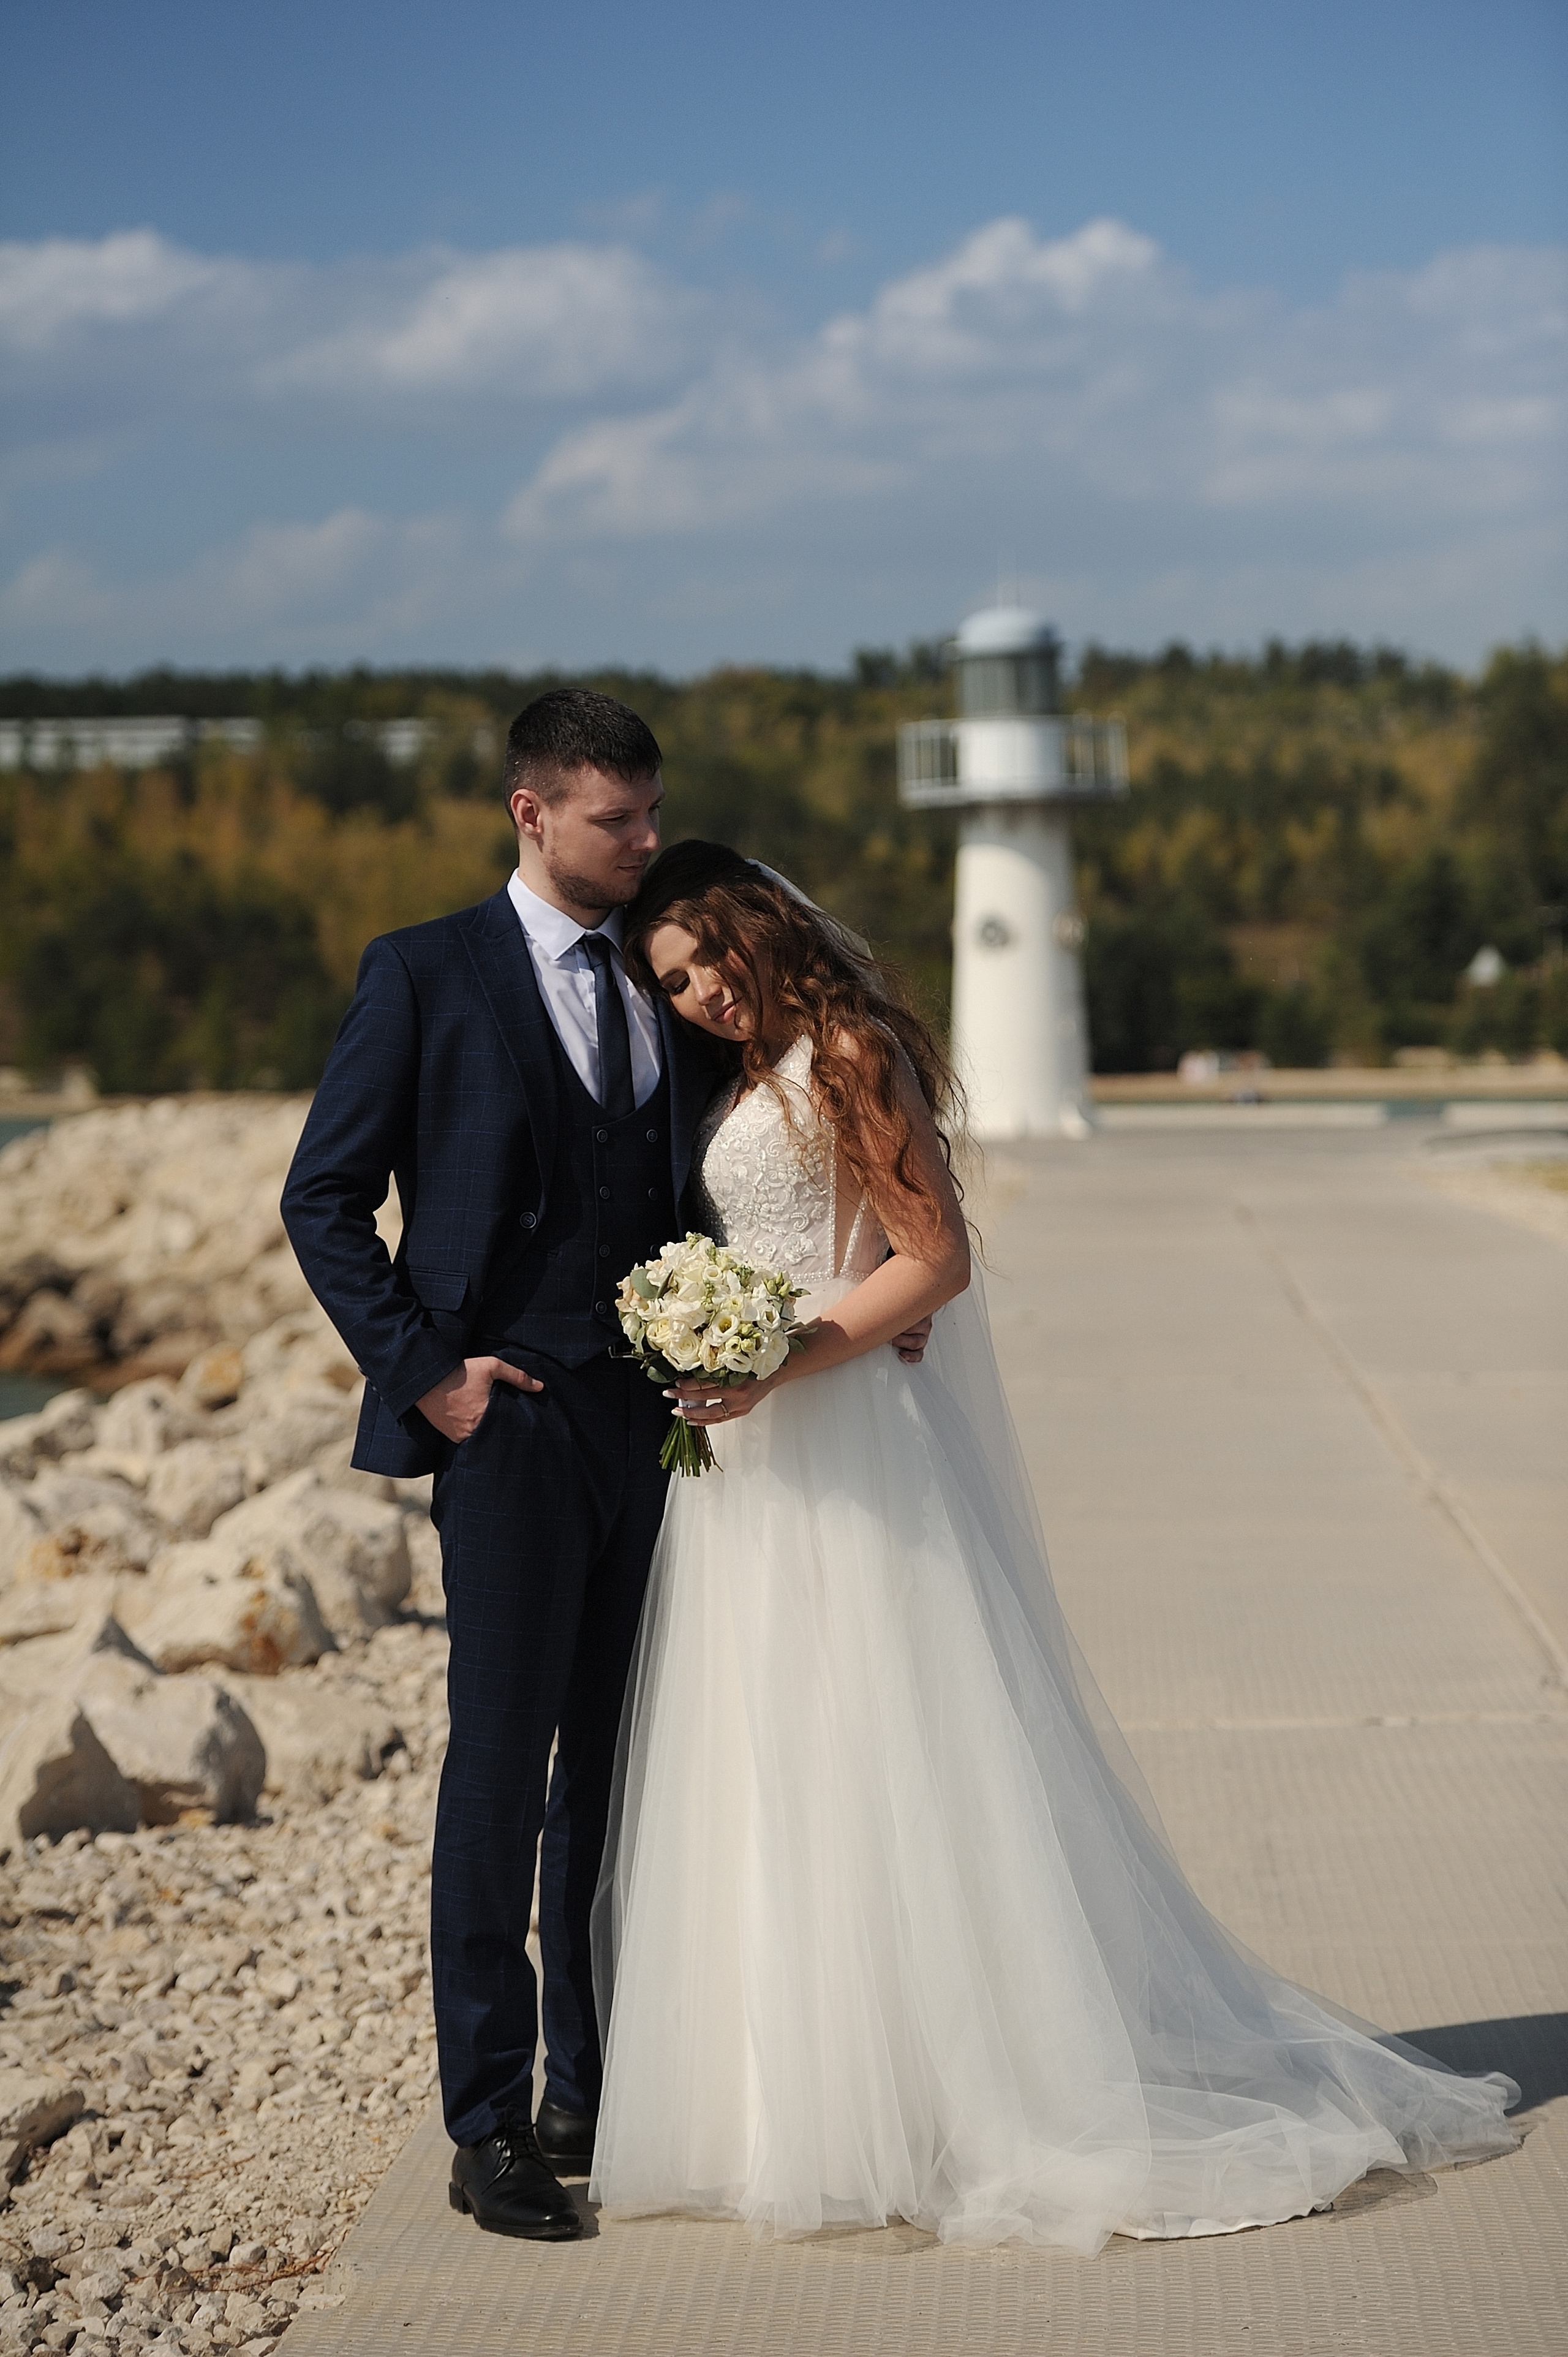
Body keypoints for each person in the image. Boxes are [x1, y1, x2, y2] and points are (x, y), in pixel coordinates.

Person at [588, 839, 1520, 2252]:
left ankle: (953, 2090)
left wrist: (775, 1355)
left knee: (891, 1754)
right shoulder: (745, 1075)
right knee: (774, 1758)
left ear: (761, 923)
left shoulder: (845, 1047)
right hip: (754, 1460)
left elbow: (934, 1253)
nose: (704, 990)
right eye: (674, 980)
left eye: (712, 953)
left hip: (837, 1433)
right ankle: (803, 2103)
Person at [280, 698, 929, 2244]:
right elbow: (322, 1196)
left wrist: (846, 1310)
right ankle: (488, 2121)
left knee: (622, 1773)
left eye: (650, 817)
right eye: (615, 823)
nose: (646, 845)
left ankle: (595, 2084)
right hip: (503, 1436)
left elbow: (742, 1176)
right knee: (500, 1774)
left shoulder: (666, 982)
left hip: (664, 1435)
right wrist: (431, 1375)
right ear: (529, 814)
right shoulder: (423, 974)